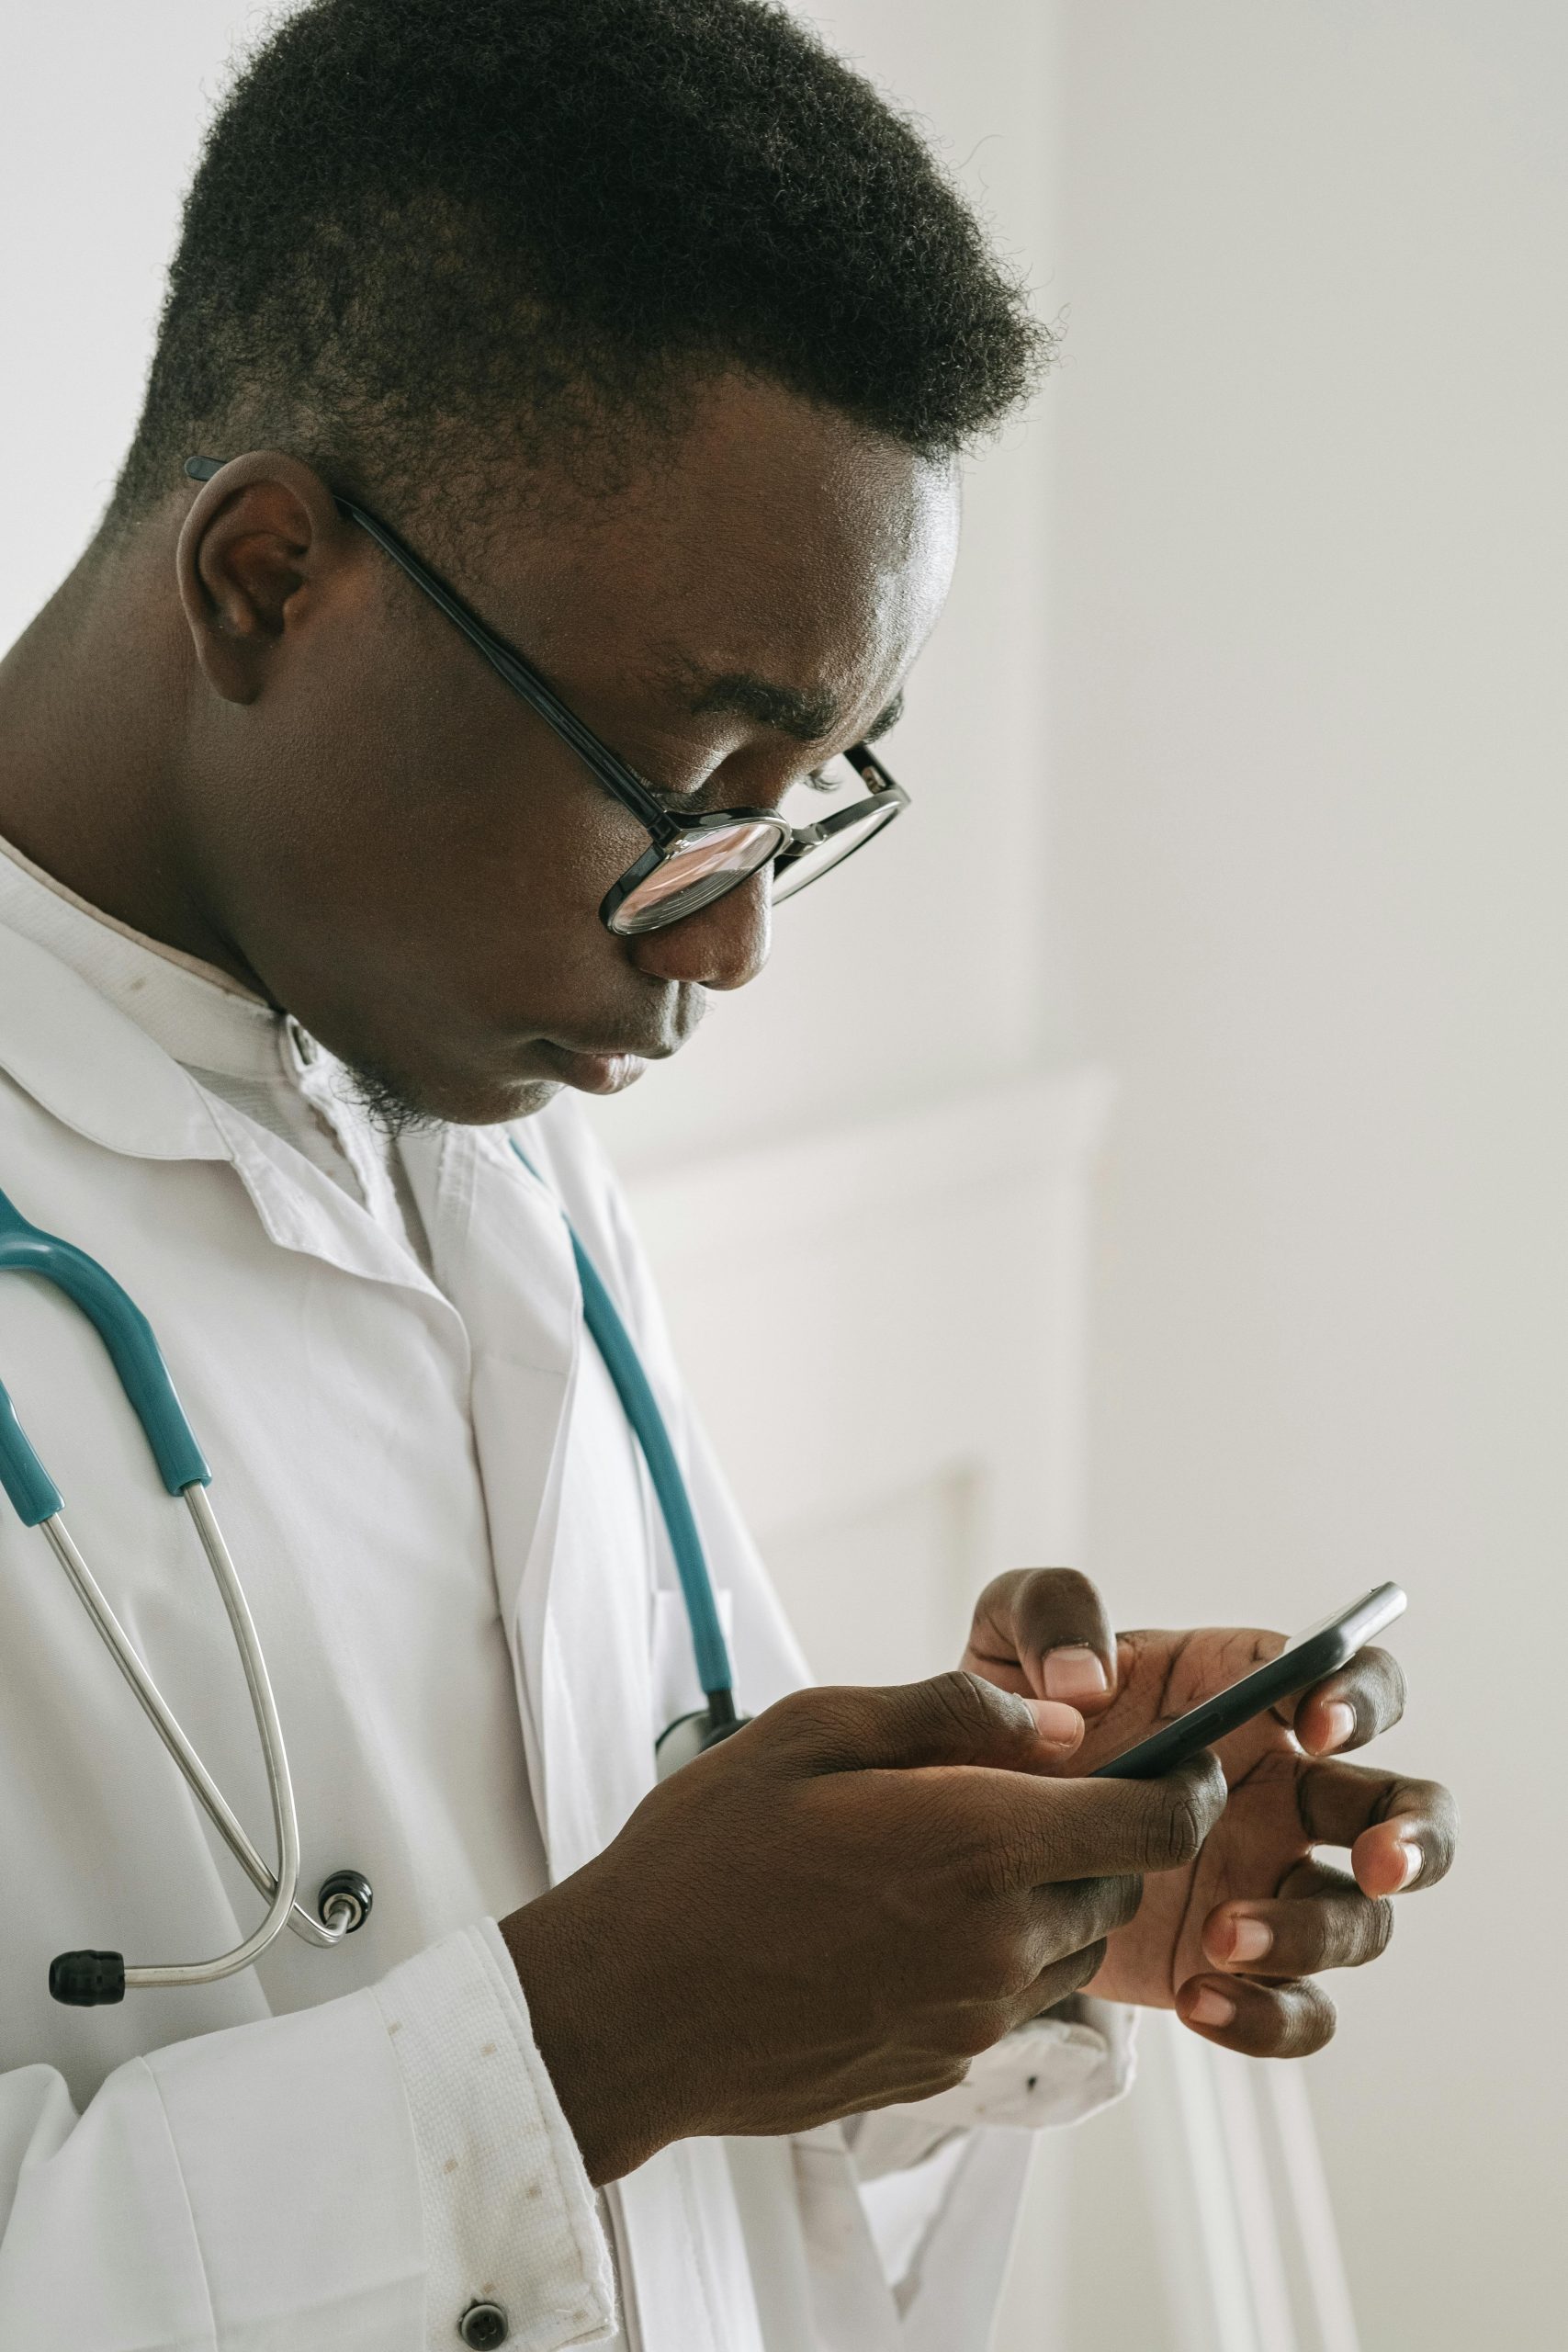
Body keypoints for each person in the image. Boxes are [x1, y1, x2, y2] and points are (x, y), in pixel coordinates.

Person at [0, 2, 1456, 2346]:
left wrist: (1025, 1910)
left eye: (811, 797)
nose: (743, 934)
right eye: (690, 782)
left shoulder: (465, 1094)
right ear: (271, 576)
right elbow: (565, 2041)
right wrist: (581, 2042)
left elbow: (646, 2018)